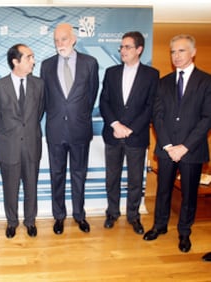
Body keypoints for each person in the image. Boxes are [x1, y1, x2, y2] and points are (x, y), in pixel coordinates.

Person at [143, 34, 211, 253]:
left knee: (189, 194)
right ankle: (159, 226)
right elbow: (157, 116)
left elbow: (207, 118)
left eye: (181, 51)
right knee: (163, 190)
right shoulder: (163, 83)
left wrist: (184, 146)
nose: (176, 56)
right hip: (166, 150)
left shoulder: (206, 81)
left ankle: (184, 232)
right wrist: (168, 146)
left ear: (193, 52)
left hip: (192, 150)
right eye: (173, 52)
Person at [40, 23, 99, 235]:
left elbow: (91, 95)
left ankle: (79, 215)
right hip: (55, 130)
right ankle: (59, 216)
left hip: (79, 129)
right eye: (56, 40)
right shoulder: (46, 65)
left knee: (78, 174)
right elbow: (45, 98)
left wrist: (77, 115)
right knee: (57, 174)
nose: (59, 44)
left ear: (73, 39)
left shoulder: (90, 63)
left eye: (63, 39)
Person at [99, 31, 159, 234]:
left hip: (137, 136)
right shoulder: (111, 72)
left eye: (127, 47)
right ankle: (112, 213)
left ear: (139, 49)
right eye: (121, 47)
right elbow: (104, 101)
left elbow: (150, 107)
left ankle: (133, 216)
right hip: (113, 136)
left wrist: (130, 129)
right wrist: (115, 125)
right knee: (112, 178)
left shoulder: (152, 75)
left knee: (135, 180)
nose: (122, 50)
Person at [0, 44, 45, 238]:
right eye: (29, 57)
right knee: (10, 187)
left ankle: (30, 221)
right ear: (16, 61)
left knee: (31, 186)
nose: (33, 61)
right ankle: (12, 222)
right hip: (9, 146)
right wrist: (11, 133)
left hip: (32, 144)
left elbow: (39, 113)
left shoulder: (39, 85)